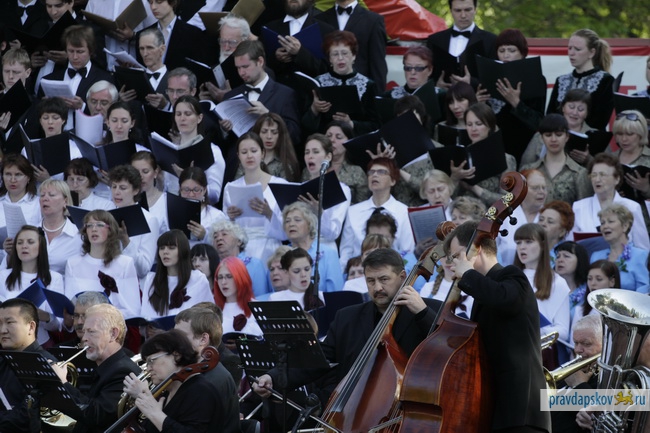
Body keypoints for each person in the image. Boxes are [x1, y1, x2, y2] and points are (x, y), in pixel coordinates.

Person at [253, 248, 440, 405]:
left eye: (384, 279)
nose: (377, 288)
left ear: (402, 277)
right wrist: (274, 377)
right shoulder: (347, 317)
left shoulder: (428, 309)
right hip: (354, 410)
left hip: (409, 410)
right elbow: (316, 361)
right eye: (370, 281)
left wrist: (423, 313)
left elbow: (445, 348)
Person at [446, 221, 551, 433]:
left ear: (475, 250)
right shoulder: (483, 291)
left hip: (521, 411)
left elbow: (504, 298)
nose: (452, 264)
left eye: (456, 256)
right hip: (499, 410)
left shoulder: (511, 275)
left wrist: (468, 274)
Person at [51, 303, 141, 433]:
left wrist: (63, 383)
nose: (84, 338)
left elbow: (96, 416)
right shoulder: (108, 367)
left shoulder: (123, 371)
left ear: (113, 334)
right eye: (84, 332)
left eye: (91, 332)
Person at [121, 329, 224, 433]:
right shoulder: (165, 391)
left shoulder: (201, 391)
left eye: (151, 361)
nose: (148, 369)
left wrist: (154, 413)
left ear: (176, 355)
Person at [339, 157, 414, 268]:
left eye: (381, 172)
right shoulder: (353, 211)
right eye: (371, 172)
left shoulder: (404, 211)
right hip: (359, 271)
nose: (374, 175)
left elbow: (407, 251)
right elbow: (346, 252)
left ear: (393, 181)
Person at [64, 210, 140, 319]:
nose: (94, 229)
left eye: (99, 225)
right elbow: (70, 305)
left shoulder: (125, 263)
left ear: (110, 230)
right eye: (89, 225)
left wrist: (101, 316)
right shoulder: (72, 263)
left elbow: (133, 310)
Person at [174, 308, 240, 433]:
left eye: (180, 336)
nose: (173, 341)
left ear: (203, 339)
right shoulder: (196, 371)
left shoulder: (209, 381)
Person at [485, 28, 546, 165]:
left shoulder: (535, 78)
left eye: (511, 50)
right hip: (495, 146)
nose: (506, 55)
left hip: (523, 147)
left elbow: (538, 122)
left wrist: (516, 103)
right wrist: (479, 102)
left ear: (522, 53)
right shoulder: (490, 76)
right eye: (501, 51)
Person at [301, 30, 379, 136]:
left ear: (354, 56)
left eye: (345, 53)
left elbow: (376, 125)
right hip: (324, 142)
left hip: (354, 141)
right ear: (329, 59)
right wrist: (314, 109)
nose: (340, 58)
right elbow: (305, 126)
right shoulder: (317, 83)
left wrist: (351, 124)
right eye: (335, 54)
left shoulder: (368, 85)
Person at [514, 223, 571, 368]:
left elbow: (563, 331)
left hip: (540, 355)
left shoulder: (557, 283)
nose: (522, 247)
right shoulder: (510, 279)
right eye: (518, 242)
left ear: (543, 245)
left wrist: (538, 329)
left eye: (528, 242)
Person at [222, 40, 301, 145]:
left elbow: (295, 136)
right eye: (238, 68)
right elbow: (225, 142)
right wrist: (224, 130)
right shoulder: (231, 96)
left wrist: (268, 116)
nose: (241, 73)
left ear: (260, 61)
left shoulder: (285, 94)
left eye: (245, 66)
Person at [223, 132, 286, 262]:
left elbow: (287, 229)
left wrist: (269, 214)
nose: (249, 156)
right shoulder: (230, 187)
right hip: (241, 250)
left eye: (254, 151)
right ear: (238, 156)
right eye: (244, 152)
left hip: (271, 250)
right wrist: (231, 218)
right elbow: (225, 228)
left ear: (262, 153)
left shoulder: (280, 185)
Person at [0, 225, 65, 346]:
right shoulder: (3, 276)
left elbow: (57, 325)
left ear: (41, 247)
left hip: (40, 344)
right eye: (20, 242)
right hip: (7, 343)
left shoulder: (54, 278)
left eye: (30, 242)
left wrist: (42, 315)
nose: (24, 246)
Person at [0, 298, 56, 433]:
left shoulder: (47, 363)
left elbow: (27, 417)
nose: (2, 330)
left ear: (31, 327)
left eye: (9, 322)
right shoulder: (3, 359)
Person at [572, 153, 649, 249]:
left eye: (603, 175)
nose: (597, 179)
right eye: (594, 175)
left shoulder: (632, 207)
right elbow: (571, 244)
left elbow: (643, 247)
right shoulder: (578, 207)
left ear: (617, 179)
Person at [547, 29, 614, 131]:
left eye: (577, 49)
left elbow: (600, 121)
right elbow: (550, 116)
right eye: (570, 48)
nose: (571, 53)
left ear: (591, 53)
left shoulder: (606, 80)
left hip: (591, 138)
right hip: (559, 137)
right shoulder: (561, 80)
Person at [315, 0, 387, 93]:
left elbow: (378, 63)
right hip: (327, 90)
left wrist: (377, 96)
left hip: (361, 91)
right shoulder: (319, 19)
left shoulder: (373, 20)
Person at [165, 95, 226, 205]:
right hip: (171, 207)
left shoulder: (212, 150)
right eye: (178, 114)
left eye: (188, 114)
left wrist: (188, 178)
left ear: (199, 118)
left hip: (199, 209)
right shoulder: (170, 149)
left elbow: (214, 195)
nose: (182, 118)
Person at [520, 114, 592, 204]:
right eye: (548, 135)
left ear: (567, 137)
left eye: (558, 135)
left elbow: (584, 208)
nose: (553, 139)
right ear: (542, 138)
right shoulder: (528, 170)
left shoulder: (579, 173)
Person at [40, 25, 114, 113]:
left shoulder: (104, 79)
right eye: (71, 51)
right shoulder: (49, 80)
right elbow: (36, 113)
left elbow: (109, 114)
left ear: (91, 51)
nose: (75, 57)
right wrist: (45, 105)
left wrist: (82, 107)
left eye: (80, 52)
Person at [141, 230, 214, 319]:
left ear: (183, 251)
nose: (165, 252)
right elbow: (145, 316)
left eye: (171, 248)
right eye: (162, 248)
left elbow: (208, 316)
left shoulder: (198, 279)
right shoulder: (151, 280)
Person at [455, 102, 517, 206]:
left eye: (479, 124)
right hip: (460, 212)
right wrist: (454, 178)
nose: (473, 129)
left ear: (490, 126)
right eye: (469, 124)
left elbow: (507, 201)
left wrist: (475, 189)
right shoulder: (460, 156)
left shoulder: (505, 159)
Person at [426, 0, 497, 88]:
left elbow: (494, 76)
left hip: (476, 95)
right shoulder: (435, 40)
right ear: (451, 11)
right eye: (458, 10)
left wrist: (472, 82)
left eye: (467, 10)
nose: (463, 15)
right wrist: (436, 86)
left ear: (475, 10)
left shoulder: (490, 40)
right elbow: (425, 72)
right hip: (443, 95)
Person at [299, 134, 352, 251]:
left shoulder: (341, 189)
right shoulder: (300, 188)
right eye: (307, 152)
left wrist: (320, 213)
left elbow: (334, 232)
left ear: (328, 156)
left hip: (325, 249)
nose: (310, 156)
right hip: (300, 248)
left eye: (315, 152)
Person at [107, 164, 160, 279]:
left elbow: (143, 269)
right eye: (114, 186)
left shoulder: (149, 220)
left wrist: (126, 241)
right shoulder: (105, 216)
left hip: (132, 284)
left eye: (123, 188)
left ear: (135, 190)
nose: (116, 192)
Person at [551, 315, 602, 433]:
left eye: (586, 344)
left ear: (605, 344)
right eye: (576, 343)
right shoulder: (576, 368)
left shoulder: (610, 377)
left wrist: (579, 384)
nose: (578, 350)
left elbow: (599, 413)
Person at [263, 0, 334, 83]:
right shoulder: (270, 27)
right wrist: (276, 58)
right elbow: (261, 65)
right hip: (278, 88)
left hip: (310, 89)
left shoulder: (325, 30)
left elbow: (327, 69)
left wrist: (300, 52)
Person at [520, 89, 595, 167]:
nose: (575, 112)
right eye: (571, 107)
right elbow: (524, 167)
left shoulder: (596, 136)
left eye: (580, 109)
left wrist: (588, 160)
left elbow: (604, 167)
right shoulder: (544, 133)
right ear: (563, 108)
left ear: (587, 113)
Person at [281, 202, 344, 293]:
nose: (291, 224)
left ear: (310, 224)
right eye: (287, 221)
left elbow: (336, 293)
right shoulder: (281, 254)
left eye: (297, 220)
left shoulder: (328, 254)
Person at [590, 204, 649, 293]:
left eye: (610, 221)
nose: (605, 226)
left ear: (625, 226)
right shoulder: (596, 257)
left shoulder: (641, 255)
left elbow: (645, 289)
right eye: (602, 223)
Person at [137, 0, 208, 70]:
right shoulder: (141, 35)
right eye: (151, 2)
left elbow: (198, 69)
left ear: (173, 2)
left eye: (159, 2)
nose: (153, 7)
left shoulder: (193, 33)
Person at [497, 169, 548, 265]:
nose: (542, 192)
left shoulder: (549, 217)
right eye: (535, 188)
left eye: (544, 188)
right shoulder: (504, 214)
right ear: (520, 189)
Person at [384, 46, 443, 127]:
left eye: (418, 68)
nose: (412, 72)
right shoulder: (389, 96)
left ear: (430, 70)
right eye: (408, 68)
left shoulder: (441, 96)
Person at [211, 219, 271, 298]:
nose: (219, 238)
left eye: (224, 234)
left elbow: (261, 297)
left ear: (239, 241)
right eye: (215, 236)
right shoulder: (212, 266)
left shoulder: (254, 264)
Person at [36, 179, 82, 273]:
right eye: (42, 195)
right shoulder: (31, 231)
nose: (45, 199)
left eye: (51, 195)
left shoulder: (78, 235)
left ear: (65, 201)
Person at [213, 256, 263, 336]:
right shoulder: (212, 310)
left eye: (229, 276)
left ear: (241, 278)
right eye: (220, 277)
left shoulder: (258, 308)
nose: (223, 282)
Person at [0, 154, 41, 251]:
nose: (12, 180)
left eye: (18, 175)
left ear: (28, 177)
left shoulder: (39, 203)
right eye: (8, 174)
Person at [178, 166, 227, 247]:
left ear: (204, 190)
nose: (191, 194)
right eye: (186, 190)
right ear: (180, 189)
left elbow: (224, 246)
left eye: (196, 190)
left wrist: (205, 236)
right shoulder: (171, 211)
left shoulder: (217, 216)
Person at [245, 113, 300, 182]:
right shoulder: (248, 158)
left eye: (274, 132)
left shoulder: (286, 164)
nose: (269, 136)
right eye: (264, 132)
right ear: (257, 133)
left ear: (280, 135)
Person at [412, 169, 455, 257]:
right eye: (431, 191)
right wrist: (418, 250)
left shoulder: (461, 210)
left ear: (449, 189)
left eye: (441, 189)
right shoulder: (417, 214)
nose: (437, 195)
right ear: (425, 193)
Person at [325, 120, 369, 204]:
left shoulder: (357, 172)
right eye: (328, 136)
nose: (332, 140)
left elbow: (363, 205)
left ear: (348, 141)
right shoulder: (312, 169)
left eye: (338, 137)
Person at [610, 111, 650, 202]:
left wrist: (647, 189)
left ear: (641, 134)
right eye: (620, 134)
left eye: (630, 134)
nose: (624, 139)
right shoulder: (609, 158)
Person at [554, 241, 590, 333]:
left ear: (580, 261)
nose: (560, 260)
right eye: (557, 257)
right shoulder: (549, 290)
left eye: (566, 256)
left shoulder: (589, 290)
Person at [130, 151, 167, 234]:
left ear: (155, 173)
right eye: (136, 172)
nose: (140, 176)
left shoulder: (166, 201)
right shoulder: (125, 199)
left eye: (145, 171)